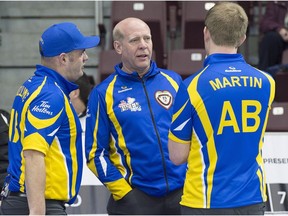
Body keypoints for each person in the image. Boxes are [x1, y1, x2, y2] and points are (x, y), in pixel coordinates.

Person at [168, 2, 275, 215]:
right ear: (243, 38)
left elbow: (177, 156)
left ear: (206, 32)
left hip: (205, 201)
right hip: (252, 198)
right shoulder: (267, 82)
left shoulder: (192, 86)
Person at [85, 17, 186, 215]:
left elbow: (192, 135)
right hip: (135, 199)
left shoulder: (173, 81)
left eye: (147, 39)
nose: (143, 46)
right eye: (134, 40)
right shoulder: (103, 93)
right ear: (118, 47)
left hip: (182, 195)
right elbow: (95, 154)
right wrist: (124, 193)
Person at [0, 22, 100, 215]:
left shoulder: (34, 85)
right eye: (81, 53)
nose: (86, 58)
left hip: (23, 200)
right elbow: (33, 153)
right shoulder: (50, 94)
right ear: (63, 59)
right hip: (39, 204)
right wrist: (37, 212)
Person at [258, 1, 288, 73]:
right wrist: (280, 30)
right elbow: (265, 24)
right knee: (270, 38)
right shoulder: (277, 3)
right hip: (282, 38)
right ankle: (264, 77)